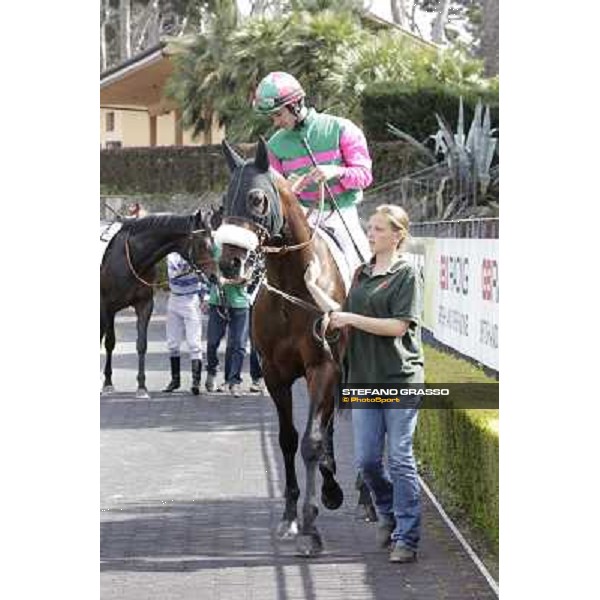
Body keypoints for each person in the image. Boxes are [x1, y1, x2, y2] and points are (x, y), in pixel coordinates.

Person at [305, 204, 424, 564]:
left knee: (401, 458)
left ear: (397, 235)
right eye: (369, 228)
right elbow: (340, 312)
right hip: (362, 380)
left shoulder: (406, 275)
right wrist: (312, 287)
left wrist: (351, 317)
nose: (370, 234)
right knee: (368, 462)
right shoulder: (361, 273)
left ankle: (407, 536)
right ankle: (387, 513)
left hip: (400, 379)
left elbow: (398, 326)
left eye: (378, 229)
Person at [253, 71, 372, 272]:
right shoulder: (274, 145)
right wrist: (289, 190)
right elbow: (273, 195)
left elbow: (364, 177)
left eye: (278, 114)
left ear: (295, 105)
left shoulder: (341, 128)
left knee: (364, 270)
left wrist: (336, 172)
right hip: (301, 218)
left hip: (341, 215)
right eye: (271, 117)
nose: (275, 122)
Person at [163, 252, 204, 395]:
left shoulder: (195, 254)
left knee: (194, 343)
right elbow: (174, 274)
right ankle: (175, 380)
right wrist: (192, 268)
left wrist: (205, 296)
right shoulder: (172, 255)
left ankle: (196, 382)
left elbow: (205, 275)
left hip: (191, 299)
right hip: (175, 298)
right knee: (173, 343)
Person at [205, 275, 251, 398]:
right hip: (217, 303)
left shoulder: (245, 256)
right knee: (212, 342)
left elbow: (247, 280)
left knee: (240, 344)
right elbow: (208, 272)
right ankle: (212, 369)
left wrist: (227, 281)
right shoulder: (216, 254)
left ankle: (234, 381)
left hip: (240, 304)